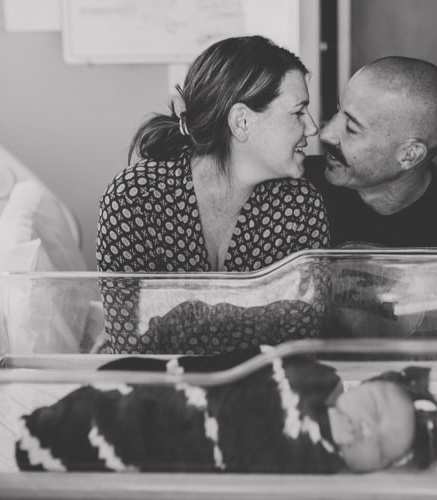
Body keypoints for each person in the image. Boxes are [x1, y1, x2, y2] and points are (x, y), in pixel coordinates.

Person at [95, 36, 330, 354]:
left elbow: (298, 339)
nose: (313, 128)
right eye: (299, 112)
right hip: (159, 390)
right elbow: (133, 343)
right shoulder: (135, 199)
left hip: (259, 390)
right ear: (241, 121)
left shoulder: (298, 205)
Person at [15, 348, 437, 474]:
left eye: (384, 447)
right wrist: (164, 369)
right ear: (358, 388)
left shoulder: (315, 472)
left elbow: (263, 462)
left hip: (186, 444)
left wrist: (319, 437)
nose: (368, 428)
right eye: (373, 407)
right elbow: (237, 365)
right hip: (177, 398)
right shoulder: (314, 374)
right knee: (116, 408)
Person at [305, 56, 437, 248]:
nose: (325, 133)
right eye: (337, 110)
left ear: (409, 155)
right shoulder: (297, 190)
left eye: (351, 128)